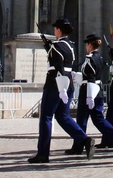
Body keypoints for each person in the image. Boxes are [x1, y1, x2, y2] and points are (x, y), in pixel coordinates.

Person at [29, 17, 93, 164]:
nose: (54, 31)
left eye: (55, 28)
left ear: (58, 30)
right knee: (63, 116)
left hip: (55, 83)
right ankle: (84, 139)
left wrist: (60, 87)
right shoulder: (70, 45)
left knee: (46, 117)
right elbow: (62, 60)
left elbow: (58, 67)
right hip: (68, 82)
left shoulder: (56, 45)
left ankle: (43, 153)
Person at [68, 34, 113, 154]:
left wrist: (89, 96)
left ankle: (78, 146)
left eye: (87, 44)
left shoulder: (89, 59)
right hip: (97, 90)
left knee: (82, 119)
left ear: (89, 45)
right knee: (98, 119)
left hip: (88, 90)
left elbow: (90, 77)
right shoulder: (100, 58)